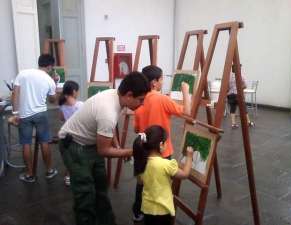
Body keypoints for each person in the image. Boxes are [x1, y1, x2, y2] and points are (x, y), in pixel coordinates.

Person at [58, 72, 150, 225]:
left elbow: (108, 128)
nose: (142, 104)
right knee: (85, 193)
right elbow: (103, 151)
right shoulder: (108, 111)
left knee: (101, 186)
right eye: (140, 100)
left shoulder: (115, 96)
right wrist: (131, 152)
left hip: (91, 142)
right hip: (74, 145)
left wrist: (117, 146)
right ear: (129, 94)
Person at [132, 65, 191, 221]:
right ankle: (160, 211)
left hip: (144, 152)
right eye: (161, 79)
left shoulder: (140, 100)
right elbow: (187, 113)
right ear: (154, 82)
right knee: (161, 184)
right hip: (162, 151)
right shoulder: (161, 99)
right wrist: (185, 91)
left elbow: (136, 129)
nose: (163, 82)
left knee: (143, 183)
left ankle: (139, 212)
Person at [133, 125, 193, 225]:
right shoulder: (166, 164)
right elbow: (185, 174)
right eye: (166, 142)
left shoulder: (141, 161)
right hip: (163, 210)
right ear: (161, 145)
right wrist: (189, 157)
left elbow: (140, 181)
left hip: (147, 208)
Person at [12, 54, 58, 183]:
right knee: (45, 141)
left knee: (26, 144)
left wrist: (15, 113)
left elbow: (15, 93)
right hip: (41, 113)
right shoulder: (49, 80)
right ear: (49, 66)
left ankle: (30, 174)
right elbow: (53, 100)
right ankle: (49, 171)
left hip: (24, 114)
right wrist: (54, 83)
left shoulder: (23, 73)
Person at [58, 80, 83, 186]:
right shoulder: (80, 105)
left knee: (70, 157)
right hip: (79, 135)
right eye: (77, 91)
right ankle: (77, 175)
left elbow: (61, 119)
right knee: (79, 157)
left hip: (67, 135)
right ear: (73, 91)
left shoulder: (62, 106)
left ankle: (68, 176)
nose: (78, 93)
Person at [227, 64, 255, 128]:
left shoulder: (228, 76)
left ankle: (233, 124)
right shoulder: (240, 76)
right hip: (238, 95)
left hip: (230, 95)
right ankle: (248, 122)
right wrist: (239, 88)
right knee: (243, 109)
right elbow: (245, 86)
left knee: (232, 108)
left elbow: (227, 87)